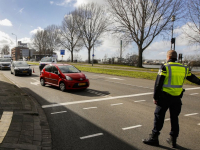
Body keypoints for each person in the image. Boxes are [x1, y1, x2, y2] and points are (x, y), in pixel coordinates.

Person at [142, 50, 200, 148]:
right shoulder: (184, 68)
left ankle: (154, 138)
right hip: (177, 98)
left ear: (168, 57)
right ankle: (173, 140)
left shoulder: (165, 67)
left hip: (164, 97)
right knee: (174, 118)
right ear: (176, 57)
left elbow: (158, 83)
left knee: (159, 117)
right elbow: (194, 79)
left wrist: (155, 97)